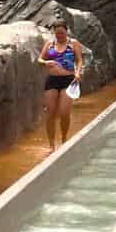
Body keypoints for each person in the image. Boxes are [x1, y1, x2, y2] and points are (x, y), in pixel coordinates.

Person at [38, 21, 83, 151]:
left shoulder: (73, 44)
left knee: (64, 112)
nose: (59, 35)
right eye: (57, 33)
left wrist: (78, 73)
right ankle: (51, 144)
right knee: (50, 113)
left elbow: (79, 60)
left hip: (68, 79)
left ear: (66, 31)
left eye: (62, 33)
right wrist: (46, 62)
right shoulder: (50, 44)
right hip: (52, 80)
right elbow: (39, 59)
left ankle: (64, 138)